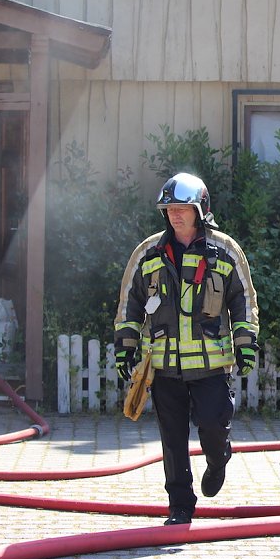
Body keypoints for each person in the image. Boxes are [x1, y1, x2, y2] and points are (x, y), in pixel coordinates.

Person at [114, 172, 259, 525]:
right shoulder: (147, 253)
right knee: (173, 440)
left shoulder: (224, 251)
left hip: (211, 365)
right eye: (169, 208)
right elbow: (130, 304)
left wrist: (246, 343)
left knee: (213, 424)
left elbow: (244, 300)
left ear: (200, 209)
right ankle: (180, 505)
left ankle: (218, 457)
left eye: (183, 208)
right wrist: (125, 346)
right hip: (163, 366)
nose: (175, 214)